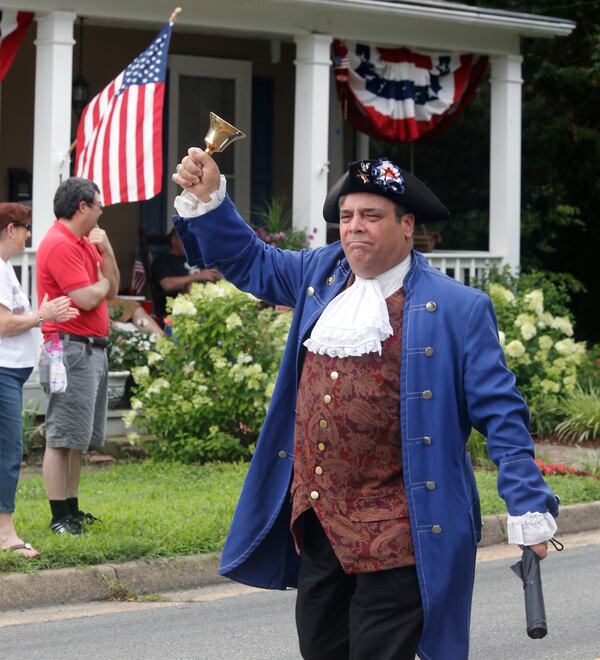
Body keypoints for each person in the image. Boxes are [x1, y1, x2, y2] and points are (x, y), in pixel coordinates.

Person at [171, 150, 559, 660]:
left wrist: (528, 501)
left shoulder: (459, 309)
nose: (355, 228)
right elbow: (249, 260)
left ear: (407, 225)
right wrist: (210, 200)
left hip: (402, 534)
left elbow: (502, 415)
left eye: (371, 216)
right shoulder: (320, 274)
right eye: (347, 217)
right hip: (320, 529)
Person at [36, 178, 120, 536]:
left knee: (76, 439)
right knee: (61, 436)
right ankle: (59, 517)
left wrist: (109, 253)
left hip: (88, 350)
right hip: (67, 349)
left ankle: (72, 509)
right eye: (99, 205)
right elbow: (87, 298)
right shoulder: (58, 243)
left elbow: (112, 290)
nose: (102, 211)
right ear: (83, 206)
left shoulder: (85, 242)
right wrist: (101, 285)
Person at [0, 203, 78, 558]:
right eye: (24, 227)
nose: (28, 234)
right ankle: (5, 534)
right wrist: (42, 315)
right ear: (8, 230)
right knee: (9, 451)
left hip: (11, 372)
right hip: (2, 372)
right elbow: (3, 324)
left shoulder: (6, 269)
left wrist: (41, 317)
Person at [151, 227, 221, 317]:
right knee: (191, 285)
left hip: (209, 302)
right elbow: (167, 285)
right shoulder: (163, 260)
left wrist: (215, 276)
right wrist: (197, 276)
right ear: (174, 240)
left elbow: (212, 276)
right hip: (179, 307)